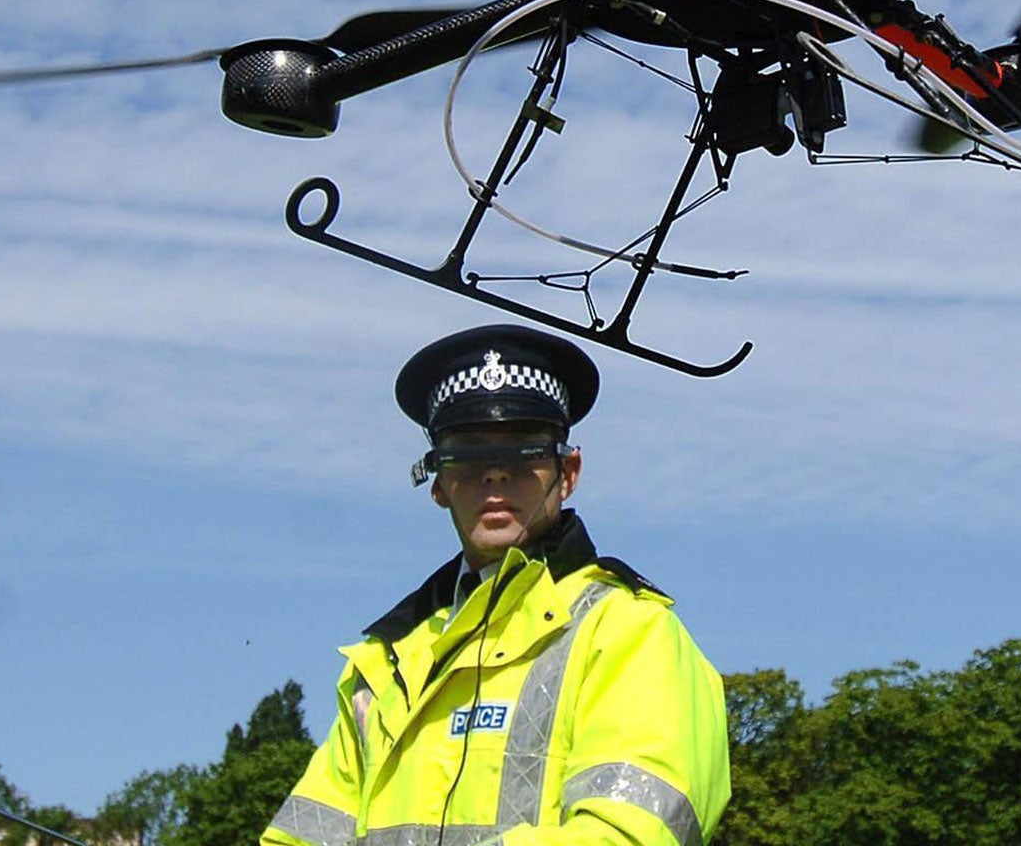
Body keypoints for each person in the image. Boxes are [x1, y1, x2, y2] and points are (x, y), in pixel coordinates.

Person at [262, 325, 730, 846]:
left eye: (525, 452)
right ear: (436, 481)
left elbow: (628, 835)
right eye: (467, 454)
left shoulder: (630, 632)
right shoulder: (385, 664)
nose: (495, 475)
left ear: (568, 471)